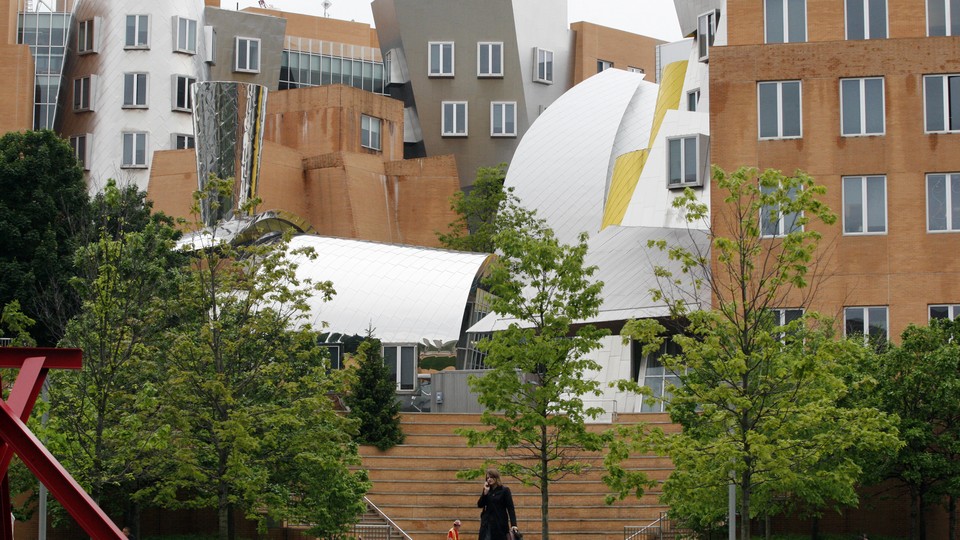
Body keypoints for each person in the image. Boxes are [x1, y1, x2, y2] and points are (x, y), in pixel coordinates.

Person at [477, 468, 517, 540]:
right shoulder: (487, 491)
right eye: (487, 478)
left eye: (491, 477)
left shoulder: (505, 490)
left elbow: (510, 508)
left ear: (496, 477)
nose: (489, 479)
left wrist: (513, 524)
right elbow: (480, 505)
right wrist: (484, 493)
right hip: (487, 525)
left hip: (500, 524)